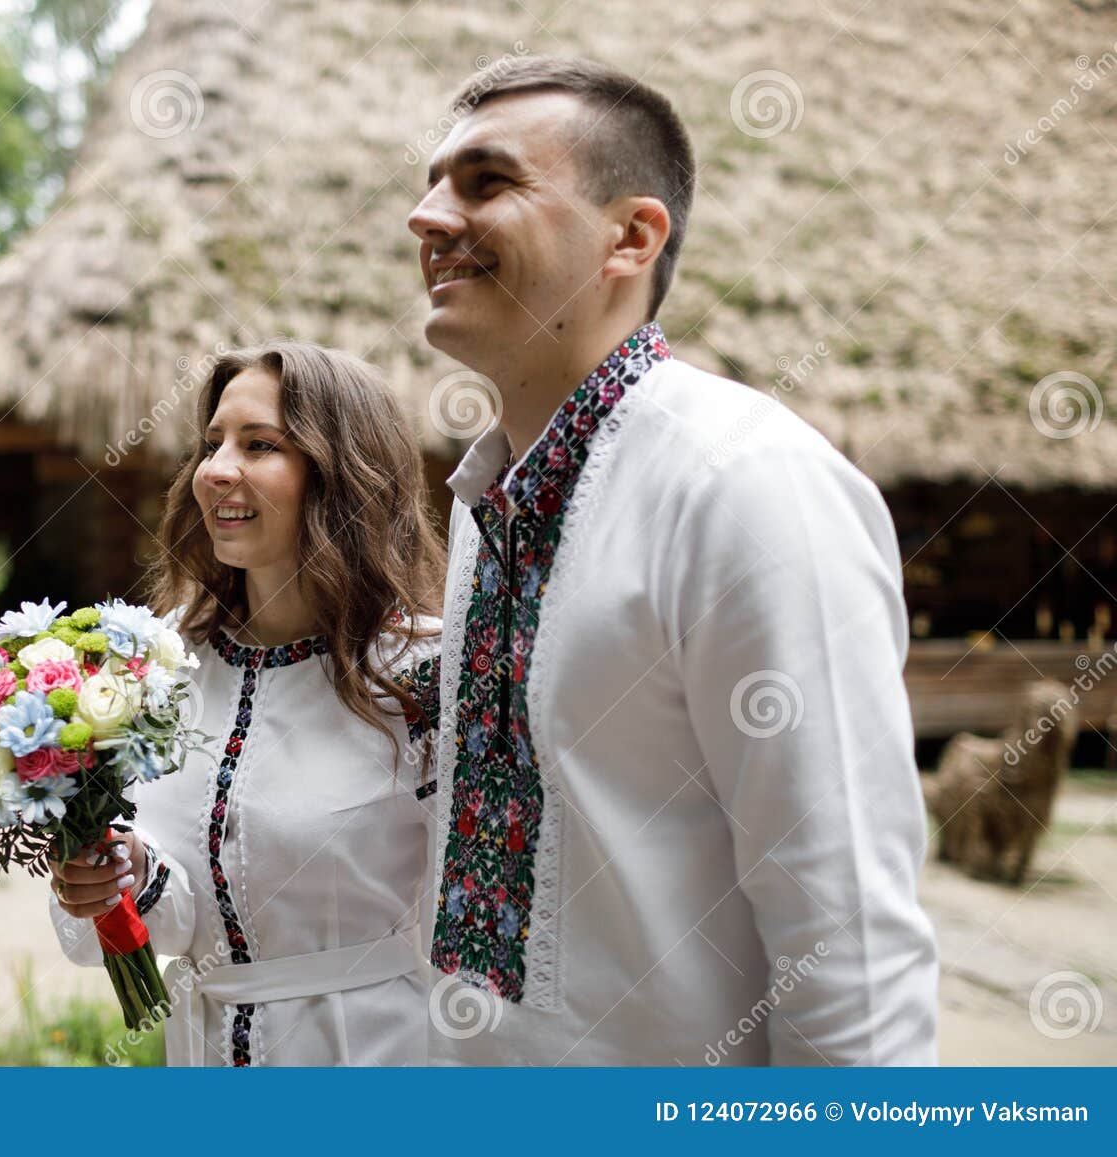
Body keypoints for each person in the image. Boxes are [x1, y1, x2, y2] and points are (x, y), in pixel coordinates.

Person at [405, 56, 939, 1064]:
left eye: (486, 181)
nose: (425, 218)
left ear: (631, 237)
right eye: (431, 184)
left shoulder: (745, 485)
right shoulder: (486, 507)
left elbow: (851, 941)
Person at [47, 340, 445, 1066]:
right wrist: (119, 875)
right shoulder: (160, 662)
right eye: (211, 443)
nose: (216, 469)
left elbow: (481, 927)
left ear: (344, 474)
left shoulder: (423, 672)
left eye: (259, 444)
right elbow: (176, 917)